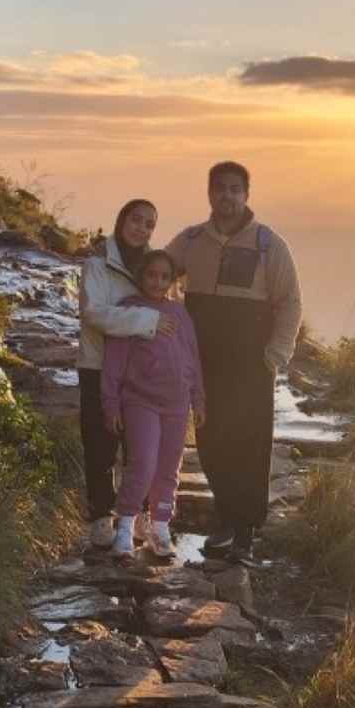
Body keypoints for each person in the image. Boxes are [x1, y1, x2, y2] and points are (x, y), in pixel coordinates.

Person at [165, 161, 302, 563]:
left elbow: (290, 301)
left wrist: (275, 355)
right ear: (209, 193)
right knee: (210, 441)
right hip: (204, 358)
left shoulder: (268, 244)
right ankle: (226, 516)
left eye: (235, 189)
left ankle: (245, 530)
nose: (227, 195)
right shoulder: (191, 241)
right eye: (220, 188)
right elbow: (155, 274)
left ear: (246, 195)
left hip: (251, 362)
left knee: (250, 445)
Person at [77, 198, 174, 548]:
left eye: (149, 224)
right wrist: (146, 322)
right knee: (100, 444)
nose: (142, 228)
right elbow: (95, 314)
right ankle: (101, 518)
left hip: (141, 374)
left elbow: (169, 314)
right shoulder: (96, 265)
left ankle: (138, 515)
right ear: (121, 221)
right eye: (136, 220)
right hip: (97, 365)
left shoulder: (153, 268)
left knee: (140, 448)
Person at [99, 250, 205, 560]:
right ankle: (125, 527)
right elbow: (114, 362)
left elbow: (192, 359)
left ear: (173, 281)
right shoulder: (129, 310)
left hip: (177, 404)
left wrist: (198, 398)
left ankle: (159, 527)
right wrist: (111, 404)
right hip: (140, 401)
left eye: (164, 277)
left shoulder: (181, 314)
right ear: (141, 275)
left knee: (169, 469)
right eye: (151, 275)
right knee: (142, 463)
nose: (157, 282)